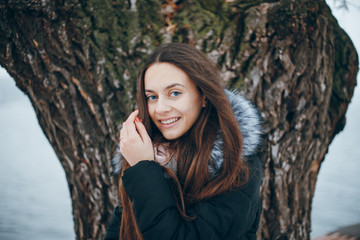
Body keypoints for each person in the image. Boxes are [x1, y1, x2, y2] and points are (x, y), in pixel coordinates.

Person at [105, 42, 262, 240]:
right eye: (152, 97)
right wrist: (144, 166)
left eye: (175, 93)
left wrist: (144, 169)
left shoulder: (238, 169)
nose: (160, 108)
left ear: (203, 96)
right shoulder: (148, 158)